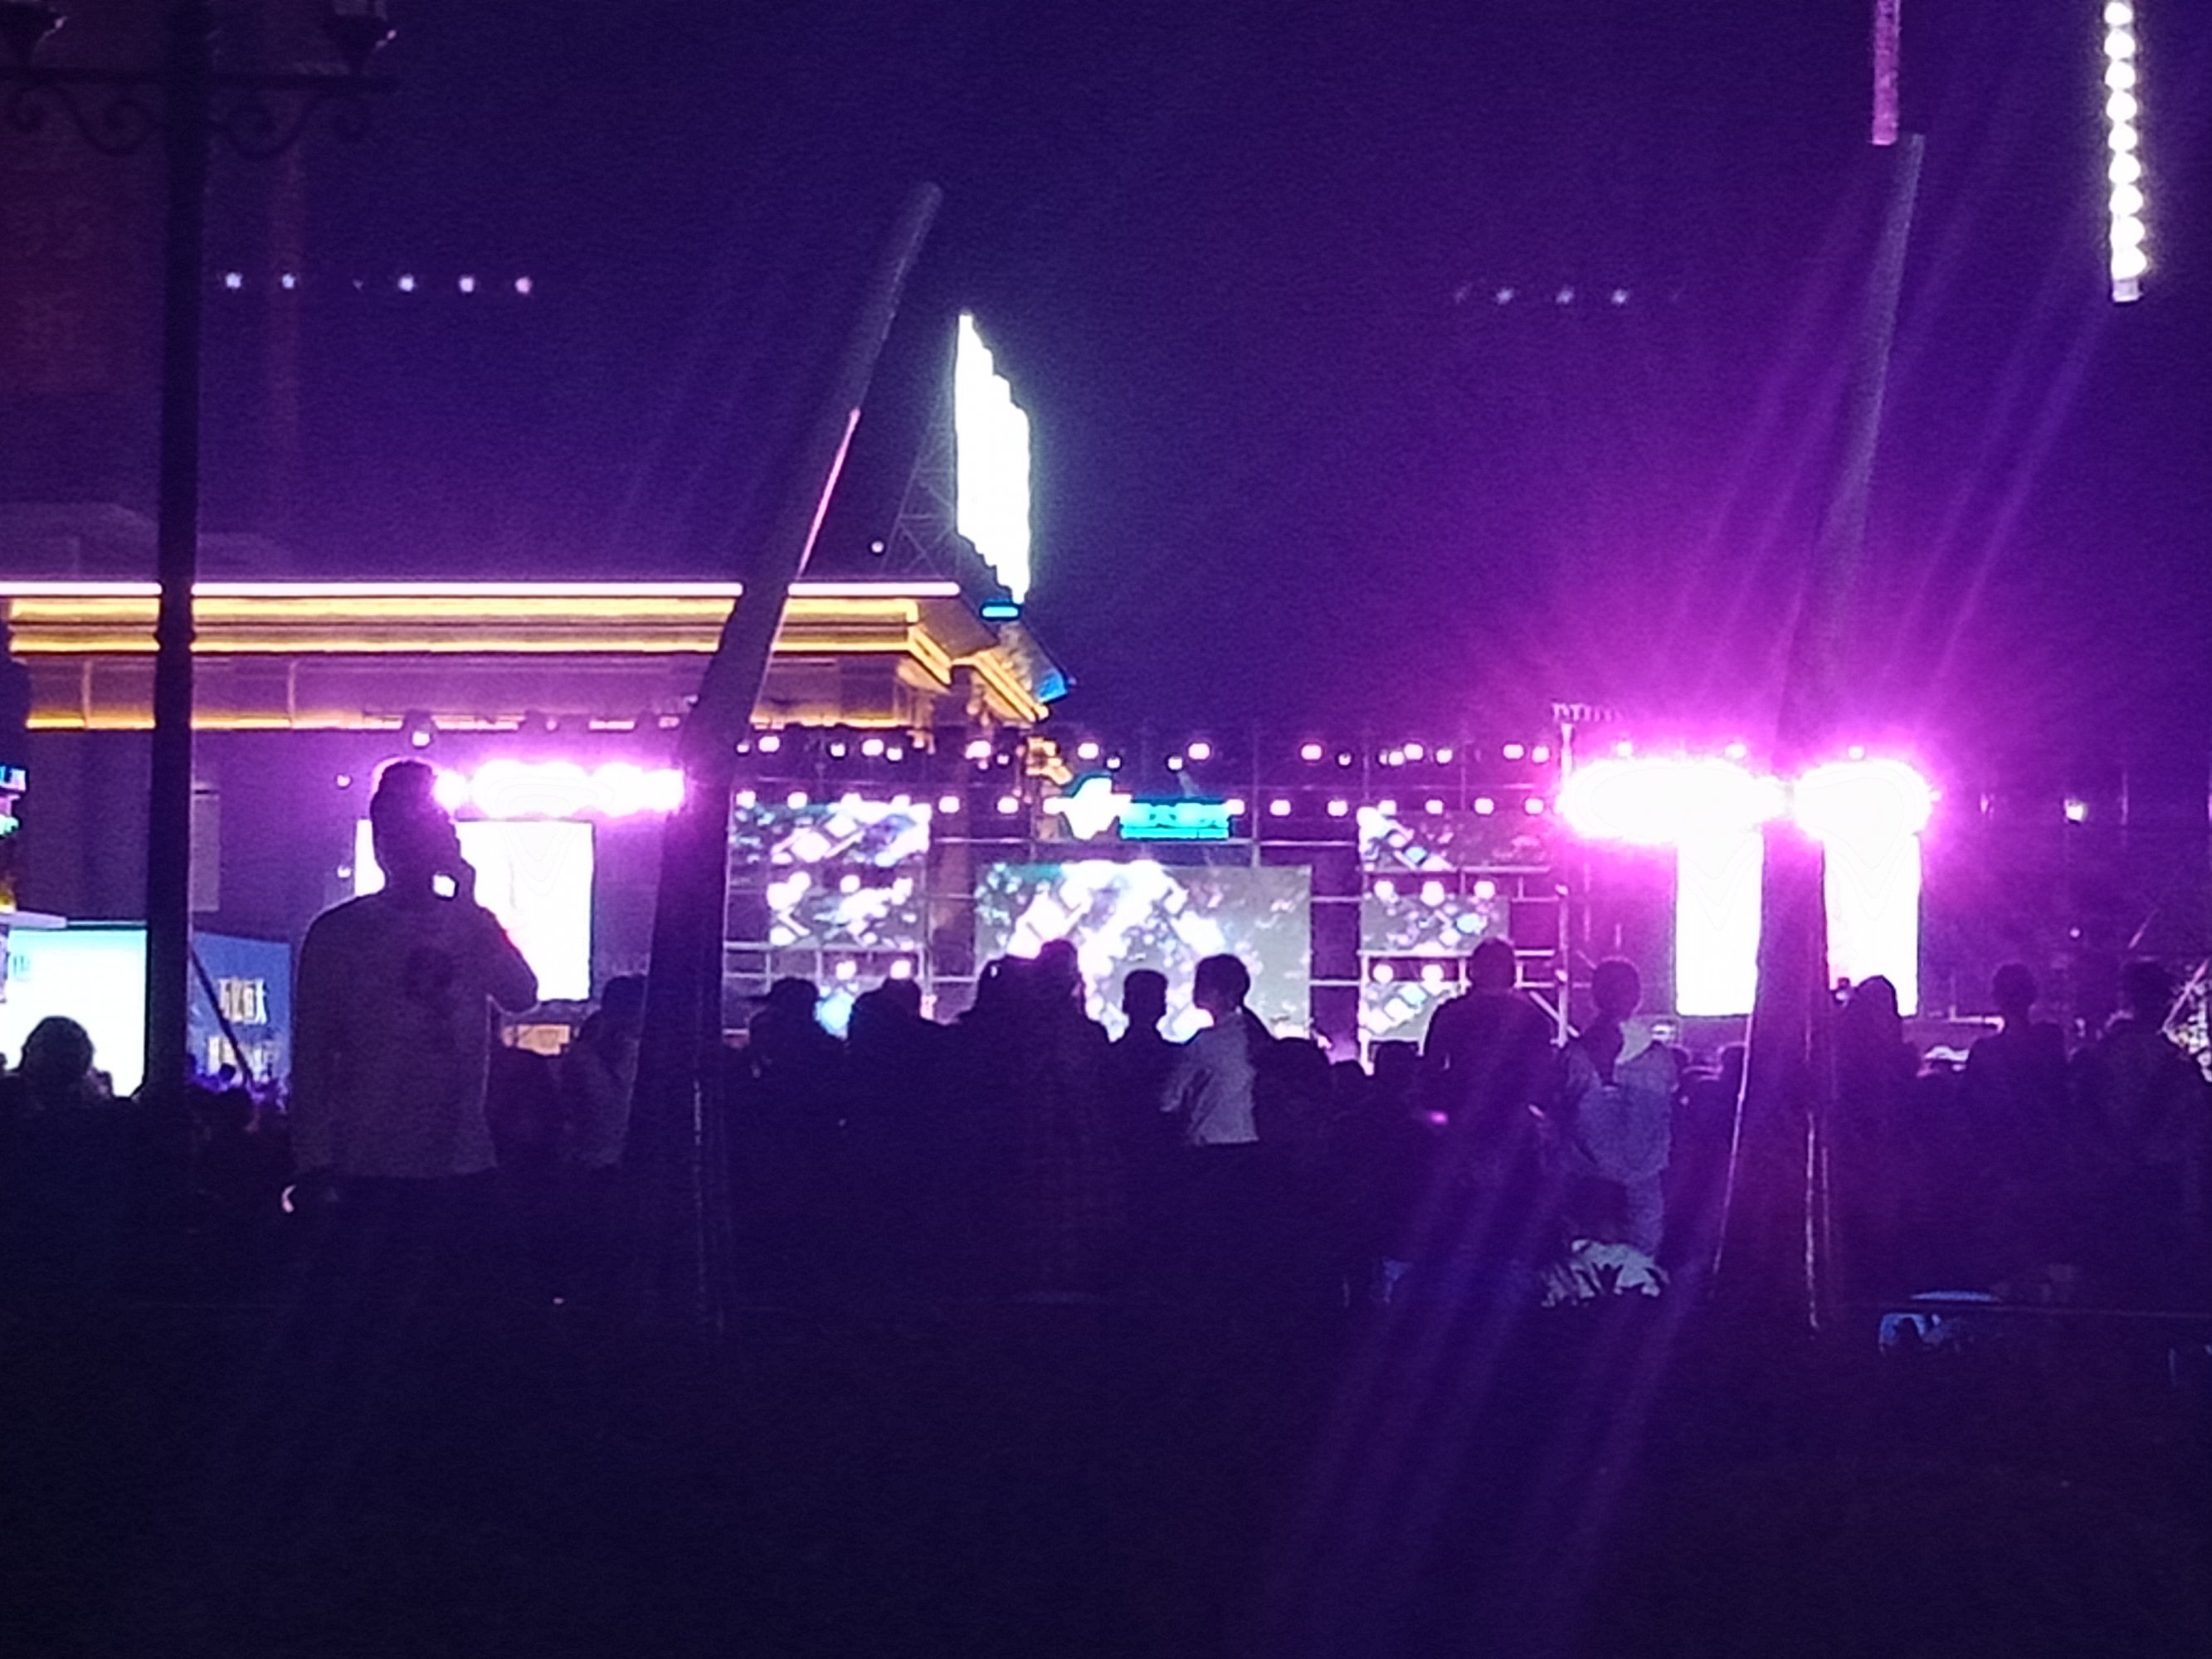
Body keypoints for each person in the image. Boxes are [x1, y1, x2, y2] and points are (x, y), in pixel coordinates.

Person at [290, 761, 539, 1295]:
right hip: (378, 1159)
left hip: (450, 1155)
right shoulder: (342, 934)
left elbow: (522, 993)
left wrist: (469, 903)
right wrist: (314, 1162)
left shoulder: (462, 923)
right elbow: (312, 1055)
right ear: (386, 841)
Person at [2069, 960, 2208, 1306]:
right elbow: (2194, 1125)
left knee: (2114, 1277)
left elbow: (2082, 1115)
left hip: (2108, 1175)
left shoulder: (2098, 1056)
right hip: (2161, 1180)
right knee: (2159, 1280)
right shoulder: (2174, 1062)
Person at [1160, 954, 1270, 1308]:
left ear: (1220, 992)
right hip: (1249, 1154)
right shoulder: (1255, 1038)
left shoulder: (1204, 1044)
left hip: (1206, 1158)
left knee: (1206, 1247)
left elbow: (1168, 1101)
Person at [1557, 958, 1676, 1258]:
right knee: (1640, 1270)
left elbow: (1558, 1111)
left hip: (1587, 1181)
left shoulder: (1572, 1057)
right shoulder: (1661, 1059)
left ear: (1594, 995)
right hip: (1643, 1183)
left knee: (1587, 1269)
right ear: (1638, 996)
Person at [1960, 964, 2070, 1280]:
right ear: (2032, 996)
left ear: (1996, 998)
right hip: (2047, 1163)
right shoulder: (2050, 1042)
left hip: (2000, 1167)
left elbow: (1970, 1114)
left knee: (2005, 1256)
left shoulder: (1985, 1053)